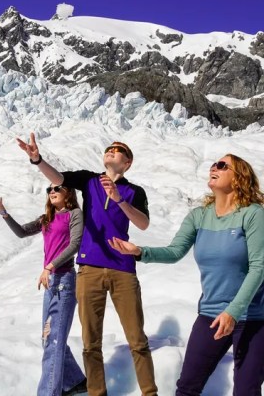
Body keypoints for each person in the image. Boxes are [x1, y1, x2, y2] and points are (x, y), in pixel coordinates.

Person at [109, 154, 264, 395]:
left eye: (223, 165)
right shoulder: (199, 216)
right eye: (214, 164)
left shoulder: (253, 214)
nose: (214, 167)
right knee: (187, 387)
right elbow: (174, 251)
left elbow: (259, 267)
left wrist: (233, 312)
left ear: (239, 177)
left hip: (253, 317)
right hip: (211, 314)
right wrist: (140, 252)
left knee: (246, 390)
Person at [17, 134, 157, 396]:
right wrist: (37, 159)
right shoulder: (89, 180)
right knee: (90, 344)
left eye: (118, 150)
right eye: (109, 149)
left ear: (127, 163)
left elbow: (143, 223)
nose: (111, 151)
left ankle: (150, 393)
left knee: (137, 340)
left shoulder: (134, 192)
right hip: (89, 270)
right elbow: (58, 179)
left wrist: (119, 200)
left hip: (122, 269)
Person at [0, 184, 87, 396]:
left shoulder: (74, 214)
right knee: (48, 338)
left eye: (57, 189)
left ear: (68, 193)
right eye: (49, 189)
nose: (52, 192)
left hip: (64, 280)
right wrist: (3, 213)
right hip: (51, 282)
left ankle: (49, 392)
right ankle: (74, 382)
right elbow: (22, 232)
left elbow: (75, 244)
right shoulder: (46, 218)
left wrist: (50, 266)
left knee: (54, 340)